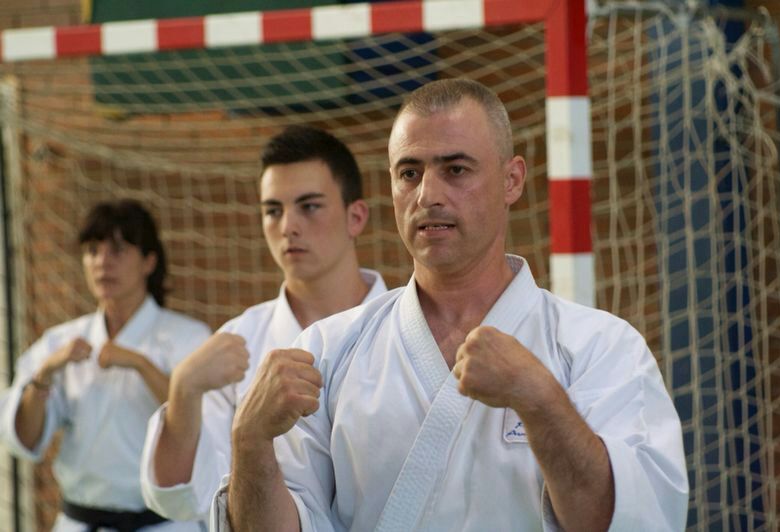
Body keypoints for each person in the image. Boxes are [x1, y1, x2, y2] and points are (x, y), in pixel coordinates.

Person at [213, 79, 690, 532]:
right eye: (409, 173)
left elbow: (634, 517)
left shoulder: (599, 347)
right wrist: (248, 443)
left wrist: (538, 397)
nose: (428, 195)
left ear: (512, 180)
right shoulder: (327, 350)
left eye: (455, 169)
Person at [139, 125, 387, 526]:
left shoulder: (405, 328)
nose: (288, 225)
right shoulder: (239, 343)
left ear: (355, 216)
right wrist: (183, 390)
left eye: (309, 207)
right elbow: (179, 500)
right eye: (273, 210)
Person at [0, 199, 211, 531]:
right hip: (79, 522)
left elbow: (202, 426)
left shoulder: (188, 338)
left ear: (149, 261)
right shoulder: (60, 343)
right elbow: (25, 441)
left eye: (117, 250)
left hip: (162, 525)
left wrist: (140, 364)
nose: (102, 263)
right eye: (92, 251)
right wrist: (44, 375)